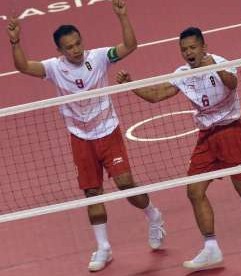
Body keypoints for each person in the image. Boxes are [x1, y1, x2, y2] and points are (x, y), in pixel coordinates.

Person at [6, 0, 165, 272]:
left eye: (78, 43)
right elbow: (23, 67)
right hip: (80, 137)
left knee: (126, 186)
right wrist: (15, 42)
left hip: (108, 132)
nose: (76, 49)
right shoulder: (54, 68)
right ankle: (103, 248)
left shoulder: (99, 57)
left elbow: (130, 46)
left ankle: (154, 216)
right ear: (59, 50)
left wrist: (123, 16)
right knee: (92, 194)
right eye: (69, 47)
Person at [116, 26, 241, 270]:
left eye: (192, 47)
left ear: (203, 47)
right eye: (184, 49)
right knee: (194, 190)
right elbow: (158, 95)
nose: (188, 52)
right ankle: (211, 248)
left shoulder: (221, 62)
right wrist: (131, 85)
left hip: (231, 132)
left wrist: (214, 68)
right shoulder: (183, 73)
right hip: (206, 138)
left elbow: (232, 84)